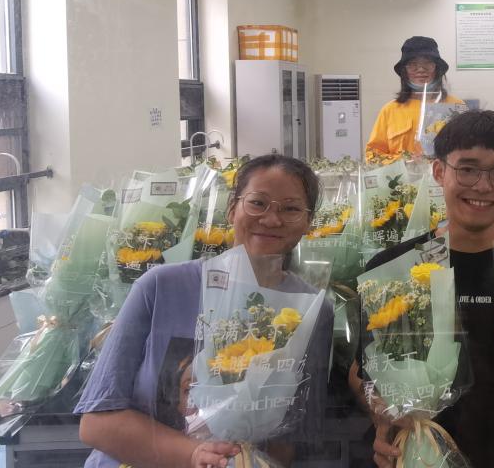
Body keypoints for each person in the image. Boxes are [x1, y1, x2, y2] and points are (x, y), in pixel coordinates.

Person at [77, 155, 333, 468]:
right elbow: (97, 422)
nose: (271, 219)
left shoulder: (311, 309)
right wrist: (192, 455)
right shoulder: (161, 287)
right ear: (232, 208)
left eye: (290, 209)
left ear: (308, 222)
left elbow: (289, 437)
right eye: (258, 203)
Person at [351, 110, 494, 468]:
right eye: (467, 169)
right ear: (438, 172)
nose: (483, 186)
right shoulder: (395, 266)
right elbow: (361, 369)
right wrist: (381, 412)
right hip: (419, 450)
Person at [366, 36, 463, 161]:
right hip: (401, 174)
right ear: (404, 71)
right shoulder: (390, 110)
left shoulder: (456, 106)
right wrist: (403, 161)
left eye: (427, 63)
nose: (421, 69)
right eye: (412, 64)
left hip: (445, 174)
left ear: (437, 68)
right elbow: (372, 155)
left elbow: (471, 149)